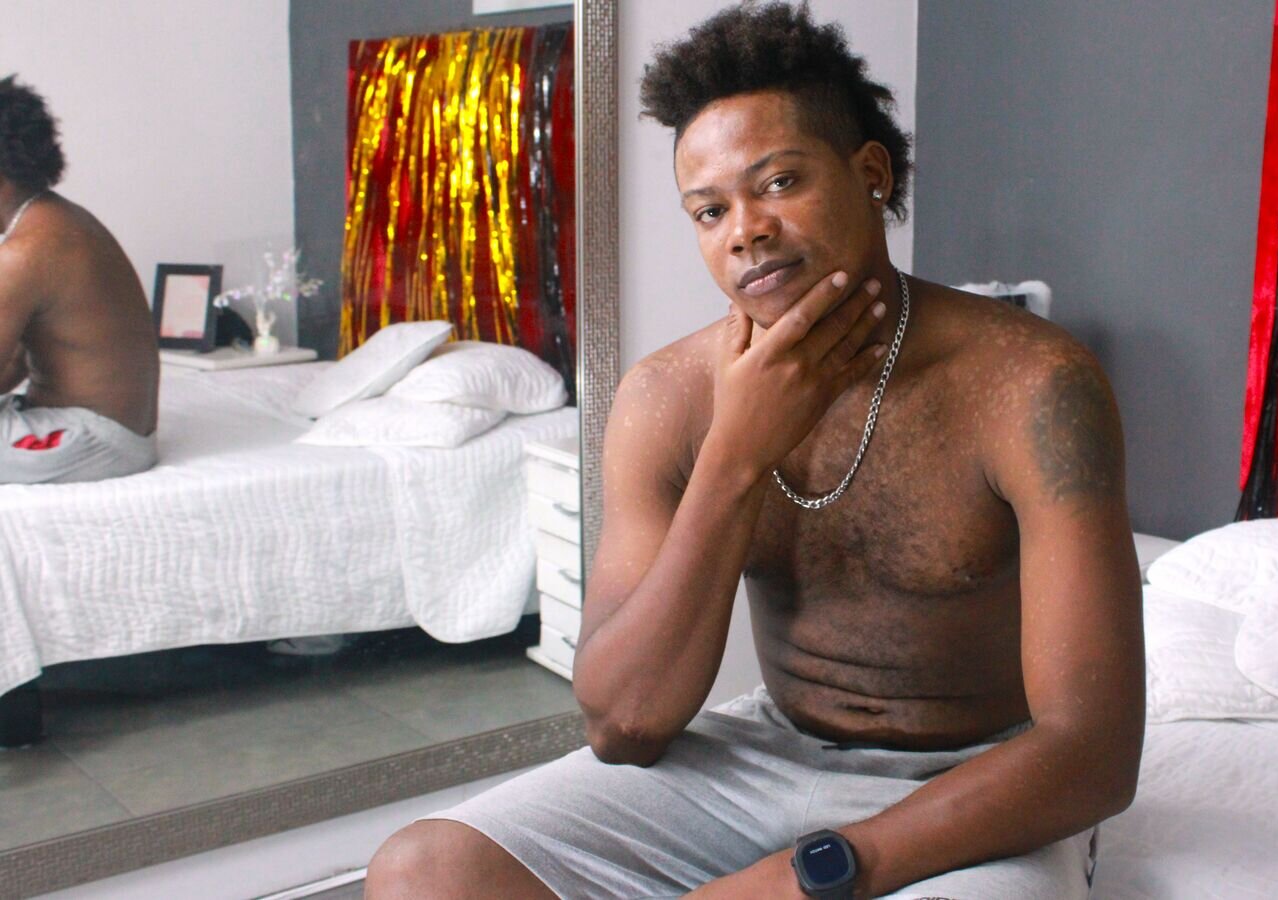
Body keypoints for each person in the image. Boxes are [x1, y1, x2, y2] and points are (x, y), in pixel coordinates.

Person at [368, 3, 1143, 897]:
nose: (744, 231)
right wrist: (735, 455)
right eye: (709, 210)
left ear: (872, 175)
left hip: (974, 782)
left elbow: (1094, 754)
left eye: (777, 182)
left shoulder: (1033, 384)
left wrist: (795, 879)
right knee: (424, 873)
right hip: (763, 756)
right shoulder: (669, 398)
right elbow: (623, 725)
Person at [0, 75, 159, 484]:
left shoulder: (24, 252)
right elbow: (15, 363)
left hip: (91, 439)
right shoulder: (61, 219)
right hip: (103, 431)